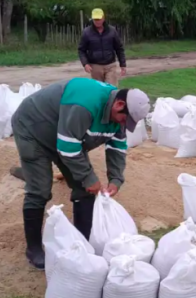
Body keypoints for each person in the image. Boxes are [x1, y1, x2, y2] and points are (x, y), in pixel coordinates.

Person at [10, 77, 150, 270]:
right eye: (125, 119)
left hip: (66, 135)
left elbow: (117, 147)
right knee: (40, 189)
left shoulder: (117, 115)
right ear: (119, 105)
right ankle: (33, 249)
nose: (124, 125)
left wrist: (116, 179)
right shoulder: (84, 104)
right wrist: (88, 177)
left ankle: (81, 242)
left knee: (86, 189)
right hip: (33, 128)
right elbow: (68, 147)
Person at [78, 8, 126, 87]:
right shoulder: (87, 33)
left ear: (103, 18)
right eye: (95, 19)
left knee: (111, 89)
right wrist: (85, 64)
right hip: (95, 66)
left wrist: (123, 64)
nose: (97, 21)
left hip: (110, 65)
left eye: (99, 19)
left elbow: (119, 48)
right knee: (98, 90)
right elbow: (81, 50)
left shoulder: (112, 31)